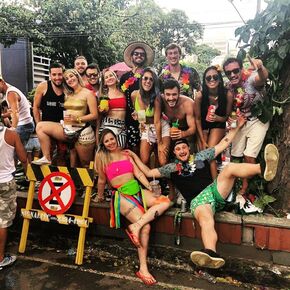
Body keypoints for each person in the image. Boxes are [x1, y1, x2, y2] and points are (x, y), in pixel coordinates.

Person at [127, 117, 279, 269]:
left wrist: (238, 126)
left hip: (214, 191)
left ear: (189, 149)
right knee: (206, 218)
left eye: (184, 148)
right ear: (174, 153)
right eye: (178, 149)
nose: (182, 151)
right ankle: (211, 253)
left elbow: (224, 143)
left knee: (230, 169)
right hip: (198, 202)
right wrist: (133, 157)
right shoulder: (171, 168)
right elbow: (147, 172)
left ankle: (263, 168)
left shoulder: (201, 156)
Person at [95, 129, 170, 285]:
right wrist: (100, 196)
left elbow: (139, 174)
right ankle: (143, 268)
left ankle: (136, 225)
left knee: (165, 201)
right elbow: (102, 180)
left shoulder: (126, 154)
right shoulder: (102, 157)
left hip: (138, 190)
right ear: (103, 144)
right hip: (121, 195)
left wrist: (149, 187)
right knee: (147, 227)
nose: (110, 142)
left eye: (112, 139)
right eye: (106, 141)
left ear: (116, 138)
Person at [223, 57, 269, 195]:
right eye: (228, 73)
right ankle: (233, 187)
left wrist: (260, 67)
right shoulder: (229, 87)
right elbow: (230, 109)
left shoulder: (251, 79)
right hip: (240, 123)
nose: (232, 75)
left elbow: (262, 78)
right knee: (235, 156)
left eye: (235, 70)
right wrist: (231, 119)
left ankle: (246, 188)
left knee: (249, 156)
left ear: (241, 69)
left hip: (257, 120)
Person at [33, 69, 98, 167]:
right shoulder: (69, 94)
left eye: (71, 76)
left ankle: (92, 182)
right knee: (40, 126)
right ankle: (46, 158)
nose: (69, 80)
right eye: (66, 79)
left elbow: (94, 115)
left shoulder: (88, 93)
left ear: (77, 76)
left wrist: (77, 119)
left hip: (83, 131)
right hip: (67, 129)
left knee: (85, 164)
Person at [195, 65, 232, 179]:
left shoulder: (227, 94)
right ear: (205, 81)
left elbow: (226, 117)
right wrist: (201, 139)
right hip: (204, 127)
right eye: (208, 78)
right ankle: (205, 180)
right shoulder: (200, 96)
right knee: (201, 156)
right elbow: (197, 119)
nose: (212, 80)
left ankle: (216, 183)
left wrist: (217, 118)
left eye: (215, 77)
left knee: (210, 152)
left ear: (220, 79)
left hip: (218, 125)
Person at [0, 122, 27, 268]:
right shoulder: (11, 134)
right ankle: (0, 258)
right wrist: (29, 174)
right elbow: (23, 158)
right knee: (2, 220)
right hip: (5, 182)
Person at [131, 67, 170, 166]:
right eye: (145, 78)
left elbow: (157, 122)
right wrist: (138, 117)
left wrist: (160, 143)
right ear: (141, 80)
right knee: (144, 160)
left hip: (160, 127)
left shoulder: (156, 97)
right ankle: (148, 180)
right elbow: (140, 114)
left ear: (154, 82)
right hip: (146, 127)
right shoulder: (134, 95)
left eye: (151, 79)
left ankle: (164, 180)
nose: (148, 81)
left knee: (162, 161)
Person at [120, 41, 155, 150]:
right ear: (131, 56)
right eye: (136, 53)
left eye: (142, 54)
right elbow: (122, 96)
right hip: (130, 118)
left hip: (147, 118)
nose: (139, 55)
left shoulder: (149, 76)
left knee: (148, 148)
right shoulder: (124, 77)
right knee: (133, 149)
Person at [33, 62, 66, 165]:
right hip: (46, 129)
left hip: (62, 128)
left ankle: (63, 180)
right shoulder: (43, 86)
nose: (57, 77)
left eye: (60, 74)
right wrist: (38, 124)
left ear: (63, 74)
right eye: (54, 75)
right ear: (50, 75)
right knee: (46, 159)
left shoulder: (68, 87)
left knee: (62, 159)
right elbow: (36, 107)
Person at [156, 78, 196, 147]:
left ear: (179, 93)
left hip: (186, 132)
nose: (171, 98)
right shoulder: (160, 100)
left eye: (174, 94)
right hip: (169, 130)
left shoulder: (188, 103)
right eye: (168, 94)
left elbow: (193, 128)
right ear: (163, 94)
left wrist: (182, 134)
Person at [0, 75, 34, 146]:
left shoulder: (11, 93)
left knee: (15, 151)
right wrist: (2, 116)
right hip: (25, 124)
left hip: (24, 126)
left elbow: (15, 112)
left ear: (2, 82)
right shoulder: (10, 91)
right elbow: (12, 112)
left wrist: (13, 129)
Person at [97, 69, 127, 148]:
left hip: (121, 127)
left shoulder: (124, 92)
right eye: (106, 77)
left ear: (116, 77)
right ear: (104, 82)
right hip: (107, 126)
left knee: (120, 152)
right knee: (106, 154)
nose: (109, 78)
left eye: (111, 75)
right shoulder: (103, 95)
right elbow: (99, 117)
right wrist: (101, 111)